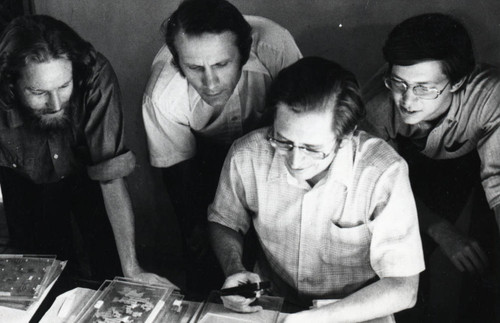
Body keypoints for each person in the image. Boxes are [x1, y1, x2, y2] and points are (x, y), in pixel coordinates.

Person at [208, 57, 425, 322]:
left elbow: (403, 288)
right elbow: (224, 221)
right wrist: (234, 268)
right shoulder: (248, 154)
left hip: (356, 310)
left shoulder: (383, 172)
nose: (295, 162)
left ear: (345, 139)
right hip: (272, 301)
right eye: (284, 141)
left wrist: (314, 319)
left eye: (312, 148)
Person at [0, 15, 175, 286]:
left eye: (64, 86)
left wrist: (132, 268)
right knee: (41, 276)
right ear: (11, 85)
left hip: (89, 174)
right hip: (23, 181)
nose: (56, 104)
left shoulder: (94, 74)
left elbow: (110, 176)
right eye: (38, 92)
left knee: (112, 270)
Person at [142, 0, 301, 294]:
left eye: (221, 64)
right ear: (178, 63)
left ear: (244, 52)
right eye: (194, 68)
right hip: (201, 162)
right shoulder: (163, 94)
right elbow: (179, 174)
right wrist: (196, 229)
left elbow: (302, 121)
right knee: (203, 256)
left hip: (275, 150)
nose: (210, 82)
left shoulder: (276, 49)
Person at [361, 13, 500, 321]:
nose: (407, 100)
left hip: (478, 163)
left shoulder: (493, 96)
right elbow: (382, 192)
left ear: (459, 81)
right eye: (398, 83)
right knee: (402, 260)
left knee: (487, 257)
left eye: (424, 87)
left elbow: (499, 182)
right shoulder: (375, 106)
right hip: (409, 169)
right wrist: (439, 228)